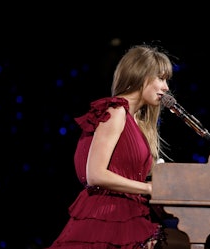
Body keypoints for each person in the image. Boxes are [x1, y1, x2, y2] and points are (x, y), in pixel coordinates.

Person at [46, 44, 174, 249]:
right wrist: (149, 188)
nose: (166, 87)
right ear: (141, 76)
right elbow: (95, 174)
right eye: (161, 78)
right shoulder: (116, 112)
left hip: (126, 215)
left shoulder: (134, 121)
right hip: (107, 216)